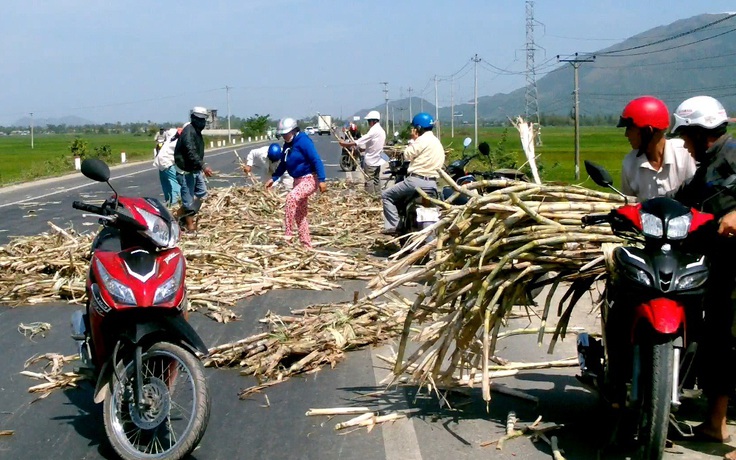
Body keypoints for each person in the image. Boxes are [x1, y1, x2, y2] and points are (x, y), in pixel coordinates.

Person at [667, 96, 735, 453]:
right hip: (721, 271)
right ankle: (715, 424)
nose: (684, 145)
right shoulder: (707, 165)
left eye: (686, 136)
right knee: (719, 343)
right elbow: (682, 201)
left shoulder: (734, 152)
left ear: (699, 132)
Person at [618, 96, 696, 201]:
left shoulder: (685, 153)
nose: (626, 134)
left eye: (630, 129)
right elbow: (628, 205)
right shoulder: (629, 163)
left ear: (647, 131)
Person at [266, 117, 327, 249]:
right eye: (282, 135)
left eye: (286, 134)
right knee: (300, 215)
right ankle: (306, 245)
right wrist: (274, 178)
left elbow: (316, 159)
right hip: (297, 181)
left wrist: (322, 180)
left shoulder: (303, 141)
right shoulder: (288, 145)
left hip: (309, 179)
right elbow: (284, 163)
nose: (284, 137)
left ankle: (288, 234)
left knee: (291, 198)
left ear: (293, 131)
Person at [381, 112, 445, 235]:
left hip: (415, 182)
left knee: (387, 195)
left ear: (418, 128)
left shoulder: (421, 140)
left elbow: (407, 154)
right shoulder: (437, 142)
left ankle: (394, 226)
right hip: (432, 184)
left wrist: (413, 140)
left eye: (414, 128)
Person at [173, 106, 213, 232]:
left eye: (203, 120)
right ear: (193, 118)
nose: (201, 122)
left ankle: (179, 215)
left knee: (202, 193)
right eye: (199, 119)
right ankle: (190, 226)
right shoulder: (188, 132)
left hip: (194, 170)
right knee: (189, 200)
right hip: (185, 171)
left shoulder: (196, 131)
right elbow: (191, 152)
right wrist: (204, 166)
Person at [339, 111, 386, 194]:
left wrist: (345, 144)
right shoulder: (381, 131)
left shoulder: (374, 130)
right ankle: (378, 197)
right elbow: (374, 145)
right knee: (376, 180)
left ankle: (370, 197)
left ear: (373, 121)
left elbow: (360, 141)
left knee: (369, 180)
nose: (368, 123)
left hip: (371, 160)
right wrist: (363, 149)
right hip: (377, 160)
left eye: (369, 121)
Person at [152, 127, 181, 206]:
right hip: (168, 163)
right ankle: (175, 205)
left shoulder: (170, 137)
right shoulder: (180, 141)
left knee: (166, 185)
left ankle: (168, 203)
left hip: (160, 162)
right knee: (175, 184)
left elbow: (171, 131)